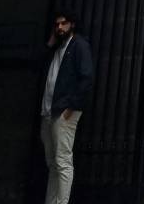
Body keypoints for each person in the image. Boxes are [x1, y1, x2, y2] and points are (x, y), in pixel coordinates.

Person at [40, 11, 93, 204]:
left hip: (64, 110)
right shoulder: (56, 48)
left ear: (72, 25)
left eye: (63, 24)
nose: (59, 28)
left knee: (62, 161)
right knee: (52, 162)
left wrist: (72, 106)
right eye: (57, 25)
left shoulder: (79, 45)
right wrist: (50, 43)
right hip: (48, 110)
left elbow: (86, 77)